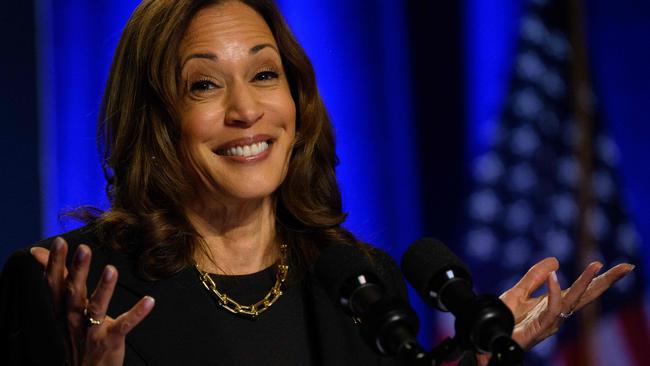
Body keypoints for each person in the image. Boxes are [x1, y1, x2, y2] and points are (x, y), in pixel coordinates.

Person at [0, 0, 634, 365]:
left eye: (265, 75)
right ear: (155, 117)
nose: (246, 110)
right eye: (203, 84)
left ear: (297, 99)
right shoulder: (73, 290)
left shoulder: (362, 281)